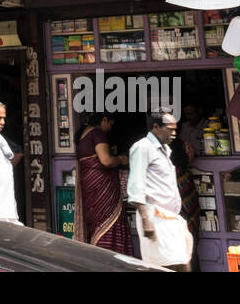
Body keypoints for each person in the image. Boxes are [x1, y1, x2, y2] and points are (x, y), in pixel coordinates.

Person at [127, 110, 193, 270]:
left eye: (175, 129)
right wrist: (146, 220)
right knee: (166, 265)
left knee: (181, 262)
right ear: (156, 127)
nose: (174, 133)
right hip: (155, 219)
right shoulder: (143, 147)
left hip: (170, 219)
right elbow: (136, 185)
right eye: (170, 129)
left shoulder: (165, 150)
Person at [75, 112, 133, 254]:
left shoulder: (83, 134)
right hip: (102, 186)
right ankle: (109, 256)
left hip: (90, 185)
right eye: (110, 124)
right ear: (104, 119)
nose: (110, 129)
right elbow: (106, 160)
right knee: (108, 222)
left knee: (96, 223)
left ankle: (98, 254)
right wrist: (121, 159)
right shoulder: (97, 133)